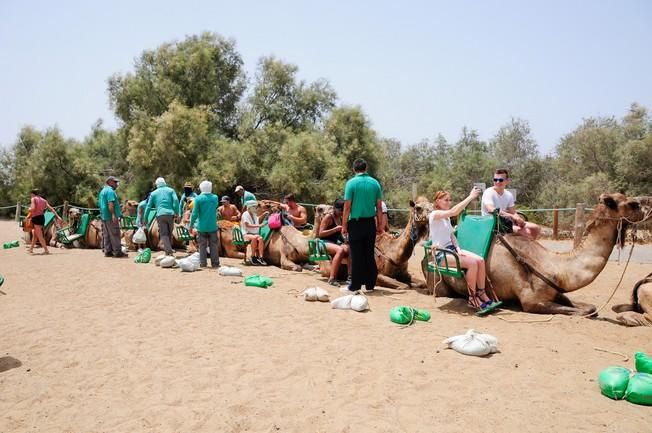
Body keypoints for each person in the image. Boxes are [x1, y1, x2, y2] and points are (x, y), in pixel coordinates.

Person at [430, 188, 495, 310]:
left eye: (450, 200)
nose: (449, 202)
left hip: (452, 250)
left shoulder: (446, 218)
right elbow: (455, 211)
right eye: (446, 200)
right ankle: (472, 297)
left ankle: (481, 292)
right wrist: (471, 197)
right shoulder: (435, 215)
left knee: (480, 260)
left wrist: (458, 249)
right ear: (437, 201)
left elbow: (451, 235)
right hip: (441, 254)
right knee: (472, 264)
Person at [341, 158, 384, 293]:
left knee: (356, 255)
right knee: (368, 254)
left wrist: (344, 225)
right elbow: (379, 207)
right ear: (366, 168)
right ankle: (370, 285)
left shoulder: (351, 183)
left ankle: (355, 286)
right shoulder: (375, 183)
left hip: (356, 223)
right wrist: (380, 225)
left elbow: (347, 207)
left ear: (354, 169)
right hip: (370, 222)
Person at [481, 168, 540, 240]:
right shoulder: (488, 192)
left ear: (507, 181)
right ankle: (522, 250)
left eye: (501, 180)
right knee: (526, 232)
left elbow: (513, 212)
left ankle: (521, 248)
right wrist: (512, 217)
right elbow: (492, 210)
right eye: (495, 180)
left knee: (536, 228)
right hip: (491, 224)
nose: (497, 182)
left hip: (504, 222)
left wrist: (518, 219)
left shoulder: (508, 194)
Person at [319, 198, 351, 287]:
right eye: (341, 210)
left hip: (333, 243)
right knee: (340, 250)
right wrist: (335, 229)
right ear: (335, 208)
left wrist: (346, 240)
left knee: (349, 248)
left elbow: (339, 236)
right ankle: (332, 278)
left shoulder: (340, 218)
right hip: (324, 242)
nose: (342, 212)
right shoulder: (328, 217)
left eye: (343, 210)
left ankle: (350, 276)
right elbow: (321, 233)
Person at [189, 180, 220, 268]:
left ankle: (203, 263)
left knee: (202, 246)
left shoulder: (198, 198)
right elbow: (215, 207)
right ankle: (215, 263)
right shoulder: (215, 197)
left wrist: (191, 225)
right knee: (213, 245)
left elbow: (194, 213)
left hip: (201, 226)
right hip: (212, 226)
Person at [146, 177, 180, 256]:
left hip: (160, 215)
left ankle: (168, 251)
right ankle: (169, 250)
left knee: (164, 234)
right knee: (169, 232)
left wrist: (145, 218)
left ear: (157, 184)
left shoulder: (154, 193)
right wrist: (177, 212)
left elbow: (148, 206)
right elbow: (175, 201)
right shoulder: (171, 190)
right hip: (170, 214)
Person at [98, 176, 127, 258]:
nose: (116, 184)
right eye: (115, 182)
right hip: (110, 216)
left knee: (107, 235)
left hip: (104, 216)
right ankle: (117, 252)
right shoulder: (110, 191)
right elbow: (110, 203)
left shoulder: (103, 191)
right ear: (110, 182)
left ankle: (108, 251)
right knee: (115, 233)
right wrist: (114, 215)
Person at [27, 189, 63, 255]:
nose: (31, 196)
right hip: (42, 218)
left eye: (31, 194)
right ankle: (31, 249)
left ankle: (46, 250)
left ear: (33, 194)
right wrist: (57, 216)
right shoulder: (44, 200)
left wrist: (29, 209)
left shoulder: (33, 199)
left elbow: (33, 209)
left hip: (36, 218)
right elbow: (51, 208)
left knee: (40, 236)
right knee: (35, 234)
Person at [240, 201, 267, 265]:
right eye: (254, 207)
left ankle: (261, 257)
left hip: (254, 234)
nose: (255, 208)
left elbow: (257, 220)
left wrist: (264, 214)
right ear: (250, 207)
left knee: (260, 238)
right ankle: (253, 257)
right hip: (246, 234)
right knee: (255, 238)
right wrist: (259, 226)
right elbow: (247, 225)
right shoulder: (245, 214)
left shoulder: (254, 214)